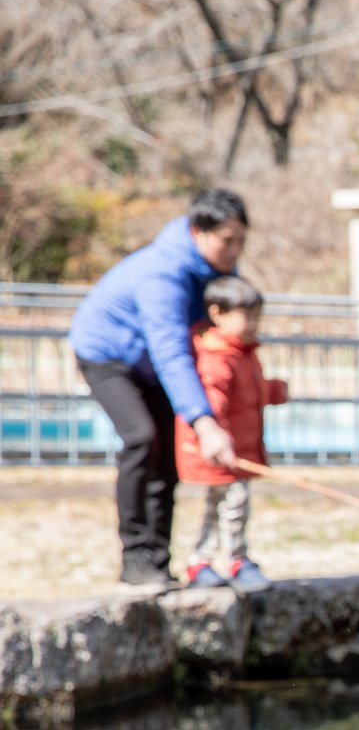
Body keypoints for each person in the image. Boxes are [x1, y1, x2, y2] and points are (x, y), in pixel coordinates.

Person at [70, 189, 249, 589]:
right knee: (142, 438)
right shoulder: (162, 273)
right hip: (110, 355)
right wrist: (203, 421)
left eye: (240, 241)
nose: (235, 250)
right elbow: (171, 351)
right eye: (227, 240)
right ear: (198, 233)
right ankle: (135, 557)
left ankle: (158, 560)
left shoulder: (219, 273)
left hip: (155, 366)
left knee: (168, 452)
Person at [175, 276, 286, 592]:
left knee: (225, 507)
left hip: (241, 452)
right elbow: (215, 404)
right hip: (223, 454)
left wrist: (274, 391)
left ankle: (208, 560)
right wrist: (216, 437)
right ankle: (227, 560)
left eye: (256, 316)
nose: (253, 324)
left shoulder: (242, 353)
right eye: (246, 316)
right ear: (217, 314)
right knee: (232, 505)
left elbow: (249, 393)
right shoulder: (218, 357)